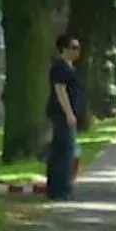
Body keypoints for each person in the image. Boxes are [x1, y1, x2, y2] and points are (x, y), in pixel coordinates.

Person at [46, 32, 86, 200]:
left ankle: (57, 188)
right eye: (74, 47)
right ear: (64, 49)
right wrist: (69, 114)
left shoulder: (69, 67)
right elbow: (60, 91)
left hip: (66, 114)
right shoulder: (60, 67)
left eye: (78, 48)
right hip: (62, 115)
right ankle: (61, 189)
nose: (77, 51)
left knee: (60, 151)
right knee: (65, 152)